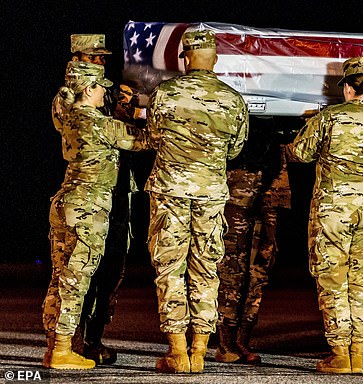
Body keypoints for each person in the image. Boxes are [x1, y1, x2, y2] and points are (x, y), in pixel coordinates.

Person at [287, 56, 363, 374]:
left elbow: (301, 153)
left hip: (335, 209)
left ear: (348, 87)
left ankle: (340, 354)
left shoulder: (330, 117)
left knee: (334, 279)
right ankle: (356, 352)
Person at [145, 29, 248, 374]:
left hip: (171, 191)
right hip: (211, 192)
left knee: (171, 268)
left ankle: (177, 350)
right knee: (206, 269)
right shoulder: (233, 100)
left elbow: (153, 137)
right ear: (215, 59)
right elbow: (235, 149)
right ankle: (200, 351)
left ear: (185, 57)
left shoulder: (165, 93)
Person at [42, 61, 149, 370]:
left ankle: (55, 345)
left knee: (61, 277)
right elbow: (145, 141)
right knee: (77, 278)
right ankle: (62, 349)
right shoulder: (99, 123)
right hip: (89, 206)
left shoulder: (69, 117)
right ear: (89, 89)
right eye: (102, 86)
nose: (107, 92)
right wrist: (150, 110)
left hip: (67, 201)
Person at [216, 127, 291, 365]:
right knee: (232, 268)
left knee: (259, 268)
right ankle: (225, 342)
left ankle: (242, 339)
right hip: (237, 188)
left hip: (269, 189)